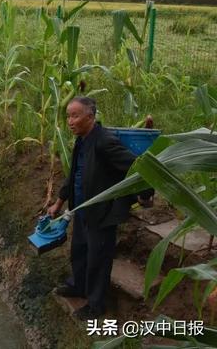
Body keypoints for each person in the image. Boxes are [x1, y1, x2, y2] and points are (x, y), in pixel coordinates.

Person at [47, 96, 153, 320]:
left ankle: (96, 305)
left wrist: (145, 193)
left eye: (75, 116)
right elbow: (73, 173)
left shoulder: (104, 141)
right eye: (68, 116)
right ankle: (78, 286)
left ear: (90, 116)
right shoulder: (82, 140)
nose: (70, 121)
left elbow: (135, 166)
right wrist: (58, 202)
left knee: (98, 258)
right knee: (80, 252)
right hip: (82, 209)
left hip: (102, 212)